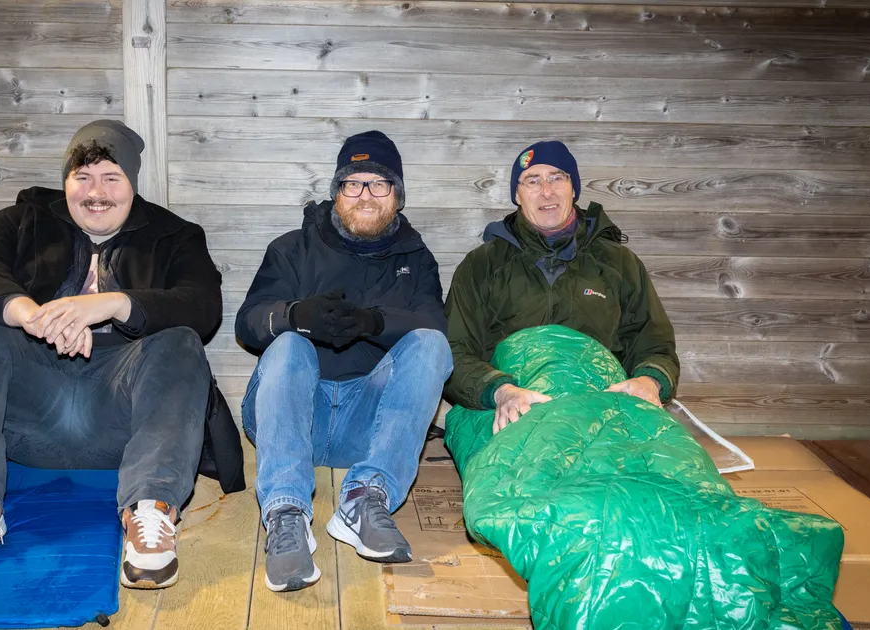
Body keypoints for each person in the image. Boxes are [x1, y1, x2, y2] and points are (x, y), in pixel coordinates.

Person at [0, 119, 234, 589]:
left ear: (133, 183)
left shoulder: (175, 236)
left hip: (120, 418)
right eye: (82, 177)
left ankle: (150, 511)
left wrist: (113, 303)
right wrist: (30, 315)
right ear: (65, 181)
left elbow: (202, 304)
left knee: (181, 340)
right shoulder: (21, 220)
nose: (96, 193)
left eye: (111, 178)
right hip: (29, 412)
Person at [236, 131, 453, 592]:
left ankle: (364, 497)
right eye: (353, 183)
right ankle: (285, 512)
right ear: (337, 191)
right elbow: (248, 324)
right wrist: (296, 316)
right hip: (294, 418)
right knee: (289, 344)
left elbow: (433, 326)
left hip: (367, 427)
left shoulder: (417, 259)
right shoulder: (291, 249)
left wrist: (373, 322)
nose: (365, 195)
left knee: (432, 345)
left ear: (397, 195)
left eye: (379, 184)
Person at [444, 140, 679, 434]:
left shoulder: (619, 263)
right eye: (533, 180)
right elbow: (454, 350)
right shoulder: (482, 265)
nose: (547, 191)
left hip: (602, 411)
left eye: (557, 178)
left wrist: (650, 381)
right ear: (517, 195)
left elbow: (654, 343)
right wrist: (500, 390)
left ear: (574, 189)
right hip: (508, 408)